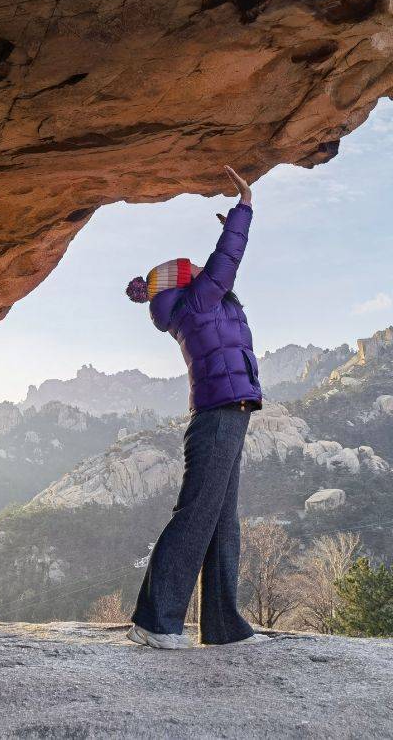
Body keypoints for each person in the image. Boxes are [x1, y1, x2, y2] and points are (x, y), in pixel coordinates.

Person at [122, 165, 270, 649]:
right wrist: (243, 209)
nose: (210, 273)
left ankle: (224, 627)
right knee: (196, 514)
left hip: (231, 413)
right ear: (186, 284)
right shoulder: (198, 303)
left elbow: (221, 272)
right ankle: (155, 621)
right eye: (200, 272)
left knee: (221, 520)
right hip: (218, 415)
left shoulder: (208, 303)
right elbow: (227, 258)